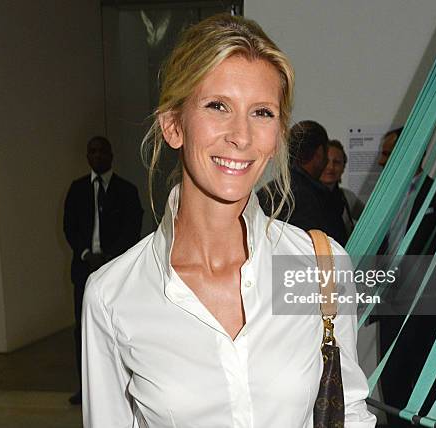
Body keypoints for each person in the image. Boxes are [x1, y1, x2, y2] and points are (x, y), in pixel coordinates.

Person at [81, 14, 376, 427]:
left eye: (262, 113)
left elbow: (350, 414)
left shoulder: (318, 266)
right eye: (218, 106)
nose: (241, 136)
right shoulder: (114, 295)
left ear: (278, 135)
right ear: (173, 126)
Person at [374, 127, 436, 426]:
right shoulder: (382, 198)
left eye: (388, 154)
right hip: (390, 303)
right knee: (391, 380)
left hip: (425, 306)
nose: (381, 161)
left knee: (424, 380)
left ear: (411, 154)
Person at [63, 136, 143, 405]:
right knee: (82, 328)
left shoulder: (126, 191)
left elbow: (132, 229)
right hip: (84, 268)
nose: (96, 156)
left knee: (119, 326)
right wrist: (86, 255)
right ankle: (85, 387)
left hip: (116, 269)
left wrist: (110, 258)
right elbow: (69, 227)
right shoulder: (77, 189)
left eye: (101, 151)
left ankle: (121, 383)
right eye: (91, 152)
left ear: (111, 154)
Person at [258, 121, 349, 245]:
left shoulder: (268, 191)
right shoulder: (317, 198)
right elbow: (334, 247)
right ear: (319, 152)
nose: (328, 162)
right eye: (326, 151)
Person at [320, 139, 365, 242]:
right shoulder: (305, 197)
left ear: (343, 167)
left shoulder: (348, 197)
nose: (331, 167)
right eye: (326, 161)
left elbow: (371, 220)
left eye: (336, 162)